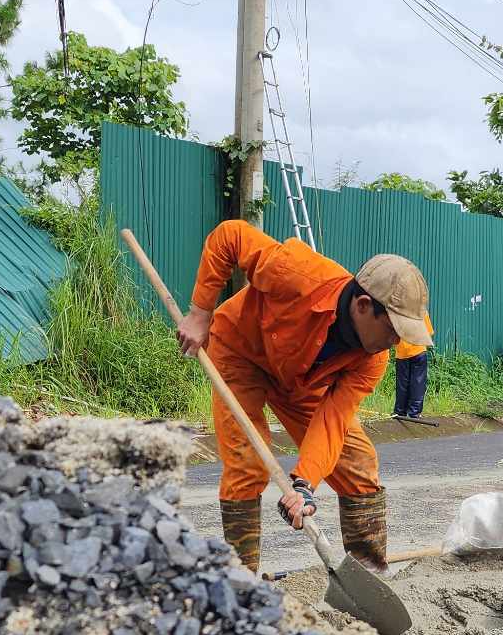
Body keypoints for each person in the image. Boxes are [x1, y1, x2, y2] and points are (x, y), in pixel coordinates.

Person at [176, 219, 430, 574]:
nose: (395, 342)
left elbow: (332, 420)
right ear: (361, 306)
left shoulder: (372, 358)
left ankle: (370, 577)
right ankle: (242, 584)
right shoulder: (297, 273)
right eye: (392, 329)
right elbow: (229, 236)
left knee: (357, 463)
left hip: (300, 381)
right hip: (241, 354)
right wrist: (200, 313)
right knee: (247, 464)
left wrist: (304, 484)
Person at [391, 305, 433, 422]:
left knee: (402, 383)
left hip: (402, 352)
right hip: (419, 350)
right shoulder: (421, 309)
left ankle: (399, 412)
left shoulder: (397, 310)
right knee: (418, 383)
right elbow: (429, 332)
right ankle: (414, 414)